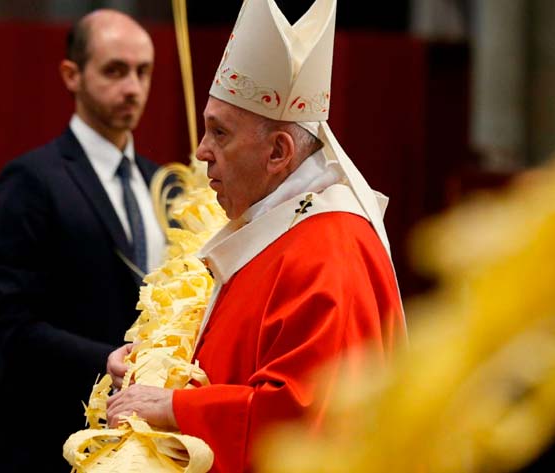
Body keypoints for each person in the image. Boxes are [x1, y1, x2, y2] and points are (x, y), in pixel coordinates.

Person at [105, 1, 407, 471]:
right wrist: (156, 367)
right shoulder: (277, 224)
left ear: (279, 152)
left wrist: (171, 408)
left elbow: (307, 421)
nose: (202, 152)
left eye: (219, 133)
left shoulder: (331, 250)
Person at [0, 9, 164, 472]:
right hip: (57, 431)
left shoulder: (163, 184)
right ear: (72, 74)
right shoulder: (32, 179)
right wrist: (103, 359)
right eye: (115, 70)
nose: (133, 88)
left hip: (150, 433)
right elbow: (13, 325)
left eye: (143, 71)